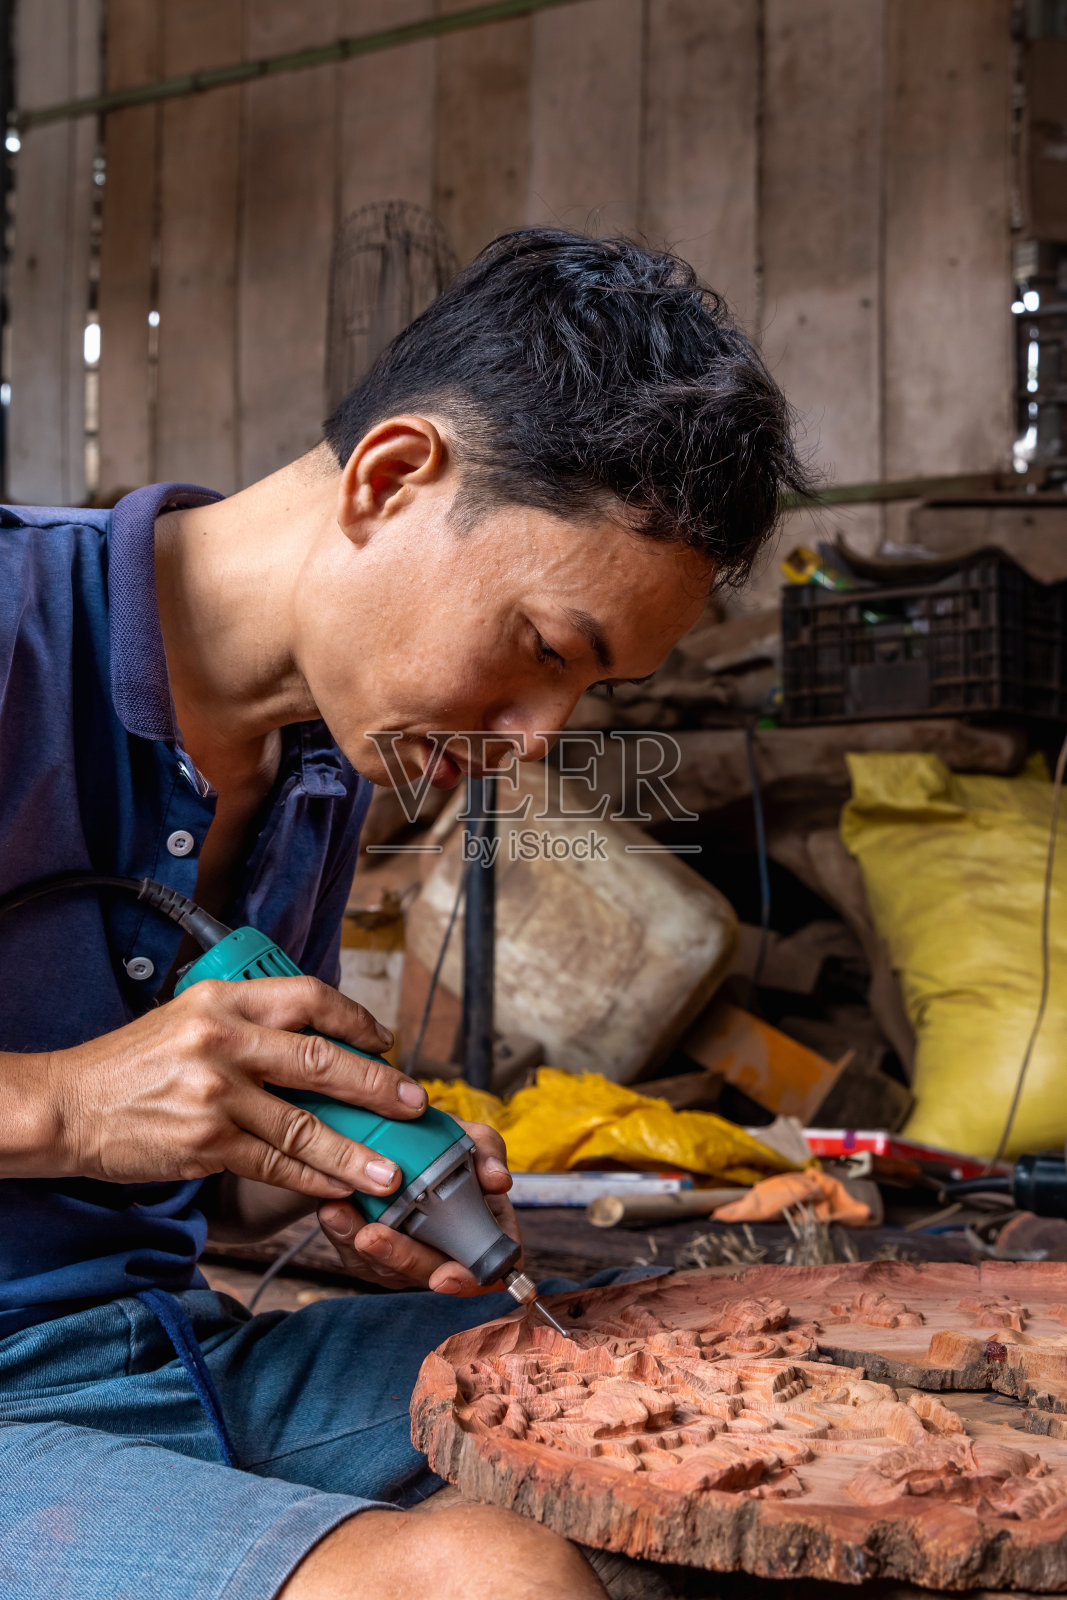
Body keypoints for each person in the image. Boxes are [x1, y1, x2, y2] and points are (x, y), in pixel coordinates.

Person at [0, 229, 808, 1600]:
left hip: (166, 1349)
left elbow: (210, 1155)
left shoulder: (324, 769)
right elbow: (94, 1110)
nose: (538, 734)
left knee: (707, 1382)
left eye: (580, 695)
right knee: (491, 1582)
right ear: (391, 477)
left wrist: (341, 1174)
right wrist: (61, 1104)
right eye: (546, 650)